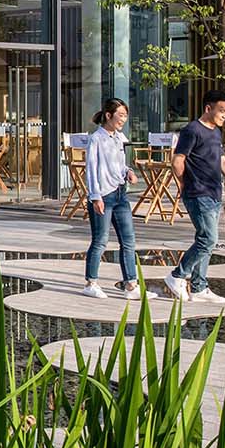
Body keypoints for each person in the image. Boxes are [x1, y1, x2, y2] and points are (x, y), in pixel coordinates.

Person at [164, 89, 225, 303]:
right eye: (222, 111)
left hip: (213, 193)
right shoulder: (192, 130)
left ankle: (200, 287)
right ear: (208, 108)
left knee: (205, 241)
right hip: (197, 193)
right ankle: (177, 275)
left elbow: (222, 162)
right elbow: (177, 161)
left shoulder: (215, 132)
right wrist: (185, 184)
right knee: (208, 239)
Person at [83, 98, 138, 300]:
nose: (123, 119)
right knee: (100, 240)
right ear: (108, 115)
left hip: (120, 193)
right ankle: (91, 282)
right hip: (103, 196)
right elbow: (91, 170)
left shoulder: (118, 137)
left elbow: (119, 164)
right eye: (120, 115)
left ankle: (131, 285)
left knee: (128, 240)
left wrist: (129, 171)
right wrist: (95, 197)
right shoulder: (96, 138)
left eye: (125, 115)